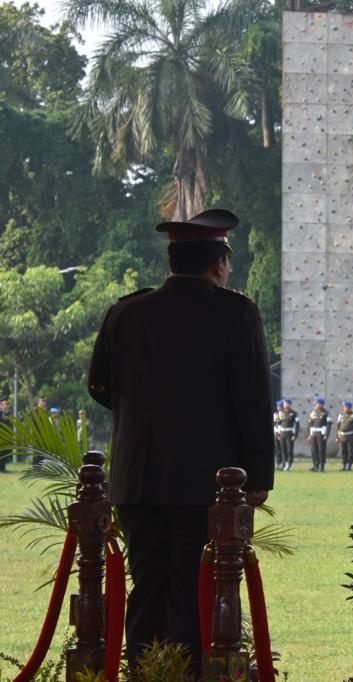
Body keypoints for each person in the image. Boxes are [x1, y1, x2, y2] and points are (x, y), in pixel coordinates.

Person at [87, 208, 273, 674]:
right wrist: (258, 477)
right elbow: (253, 398)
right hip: (206, 484)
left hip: (138, 479)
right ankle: (184, 673)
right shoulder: (236, 313)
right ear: (218, 264)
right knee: (196, 589)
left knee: (145, 585)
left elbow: (100, 386)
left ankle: (143, 671)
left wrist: (148, 420)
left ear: (173, 259)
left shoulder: (126, 311)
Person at [306, 398, 331, 472]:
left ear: (321, 404)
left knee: (321, 450)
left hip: (321, 433)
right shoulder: (313, 412)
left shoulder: (326, 413)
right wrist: (309, 434)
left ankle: (321, 466)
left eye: (316, 404)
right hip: (313, 433)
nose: (315, 405)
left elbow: (329, 425)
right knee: (314, 450)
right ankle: (315, 465)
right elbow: (310, 423)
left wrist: (327, 434)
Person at [335, 401, 353, 471]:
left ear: (349, 408)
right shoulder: (341, 415)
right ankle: (344, 465)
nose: (344, 408)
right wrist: (337, 436)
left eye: (346, 407)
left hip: (351, 436)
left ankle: (349, 465)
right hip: (342, 436)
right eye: (344, 407)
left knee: (351, 451)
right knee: (343, 451)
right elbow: (338, 426)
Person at [279, 398, 299, 471]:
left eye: (286, 403)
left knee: (289, 449)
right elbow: (279, 423)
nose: (285, 405)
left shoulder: (294, 413)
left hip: (289, 433)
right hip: (282, 433)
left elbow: (297, 425)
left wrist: (295, 435)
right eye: (284, 403)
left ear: (289, 404)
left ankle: (289, 464)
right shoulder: (281, 412)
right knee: (283, 449)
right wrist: (278, 433)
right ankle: (284, 463)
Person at [0, 396, 11, 473]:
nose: (6, 405)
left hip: (7, 436)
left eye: (7, 404)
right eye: (4, 404)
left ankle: (3, 468)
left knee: (5, 452)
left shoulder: (7, 414)